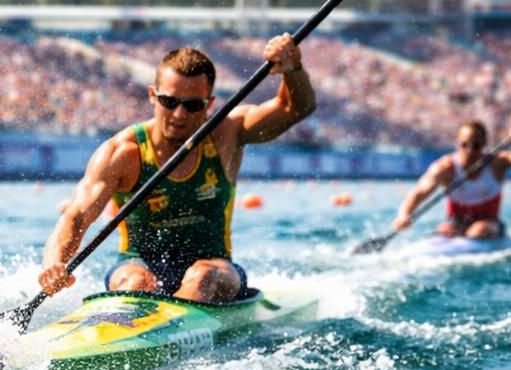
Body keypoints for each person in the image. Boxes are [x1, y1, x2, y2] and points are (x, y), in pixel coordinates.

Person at [37, 38, 316, 303]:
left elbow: (295, 109)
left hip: (214, 266)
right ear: (152, 95)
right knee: (136, 283)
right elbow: (76, 217)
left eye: (192, 105)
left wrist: (293, 69)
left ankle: (168, 334)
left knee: (202, 276)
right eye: (169, 102)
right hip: (137, 266)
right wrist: (54, 264)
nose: (179, 115)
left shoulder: (227, 133)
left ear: (209, 104)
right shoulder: (123, 153)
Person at [392, 119, 511, 239]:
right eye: (465, 145)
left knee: (478, 230)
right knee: (444, 231)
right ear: (457, 144)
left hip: (489, 224)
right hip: (456, 223)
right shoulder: (445, 168)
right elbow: (420, 192)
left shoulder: (496, 163)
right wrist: (404, 215)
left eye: (475, 146)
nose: (470, 151)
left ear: (484, 144)